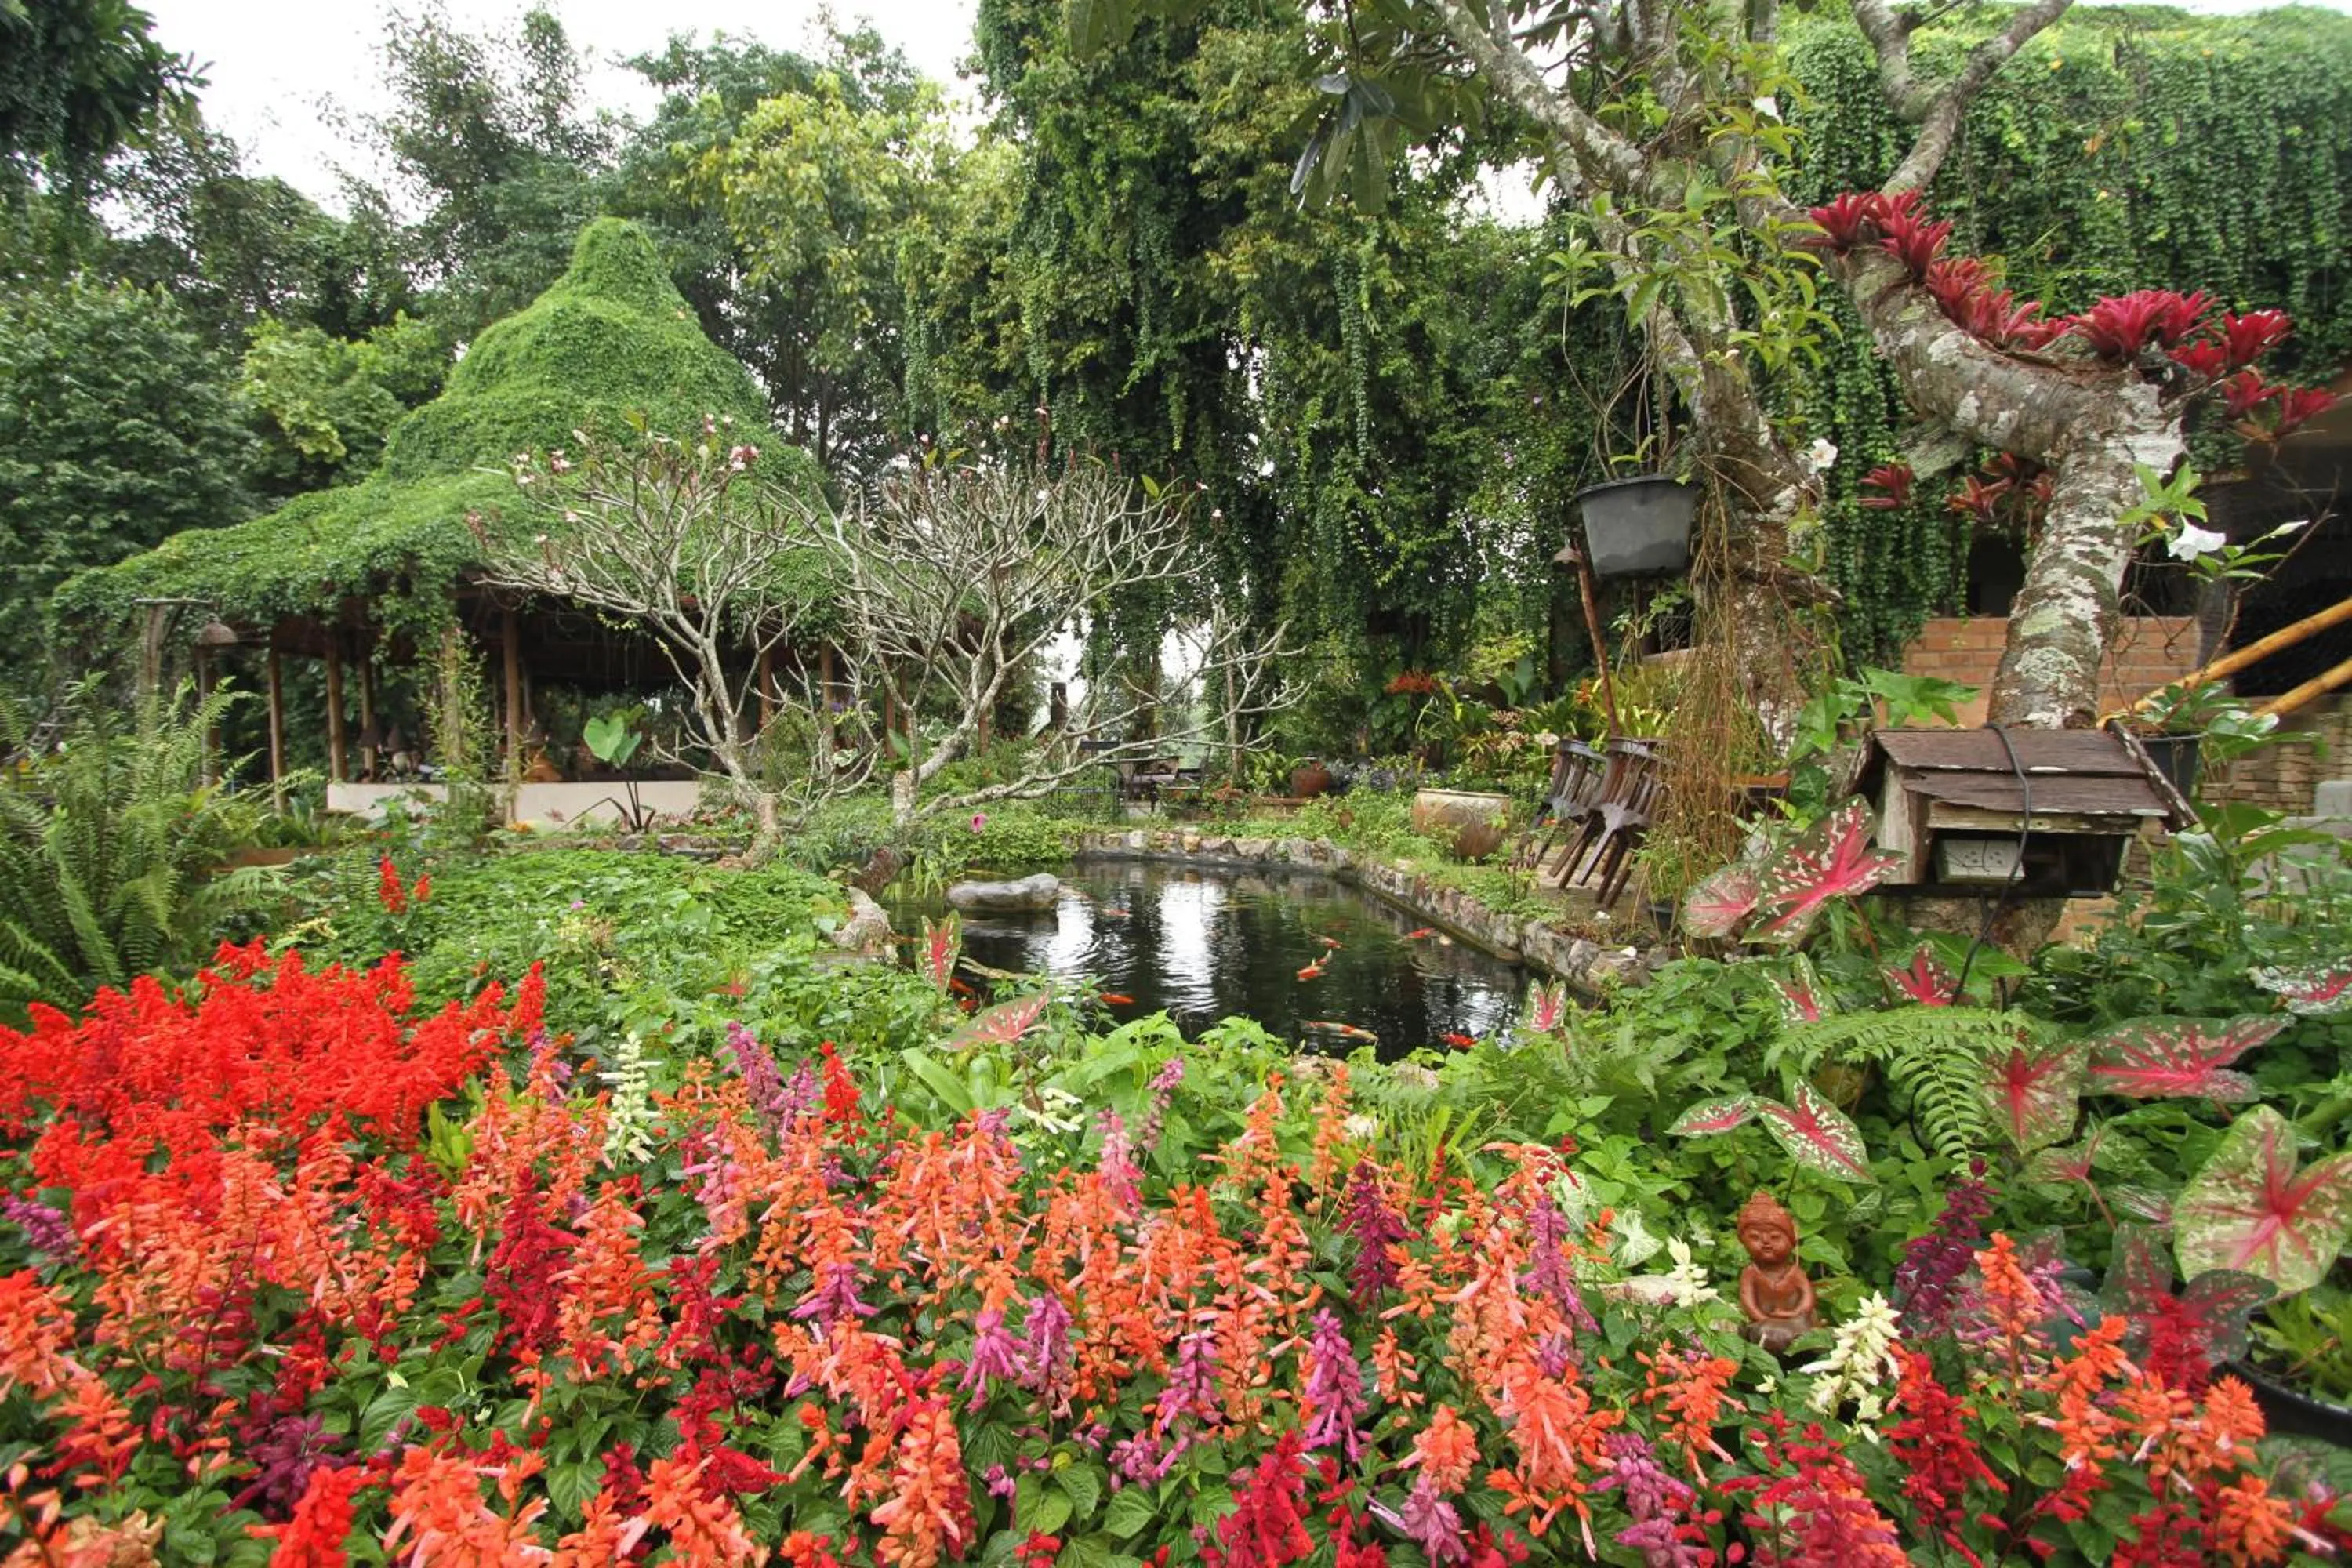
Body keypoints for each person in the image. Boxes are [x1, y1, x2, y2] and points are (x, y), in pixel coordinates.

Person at [1734, 1190, 1817, 1352]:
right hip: (1763, 1323)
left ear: (1791, 1242)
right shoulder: (1751, 1273)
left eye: (1775, 1237)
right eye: (1755, 1237)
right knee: (1764, 1333)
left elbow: (1807, 1299)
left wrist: (1793, 1313)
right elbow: (1749, 1303)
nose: (1765, 1243)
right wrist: (1764, 1319)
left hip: (1797, 1320)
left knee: (1806, 1334)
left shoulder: (1795, 1272)